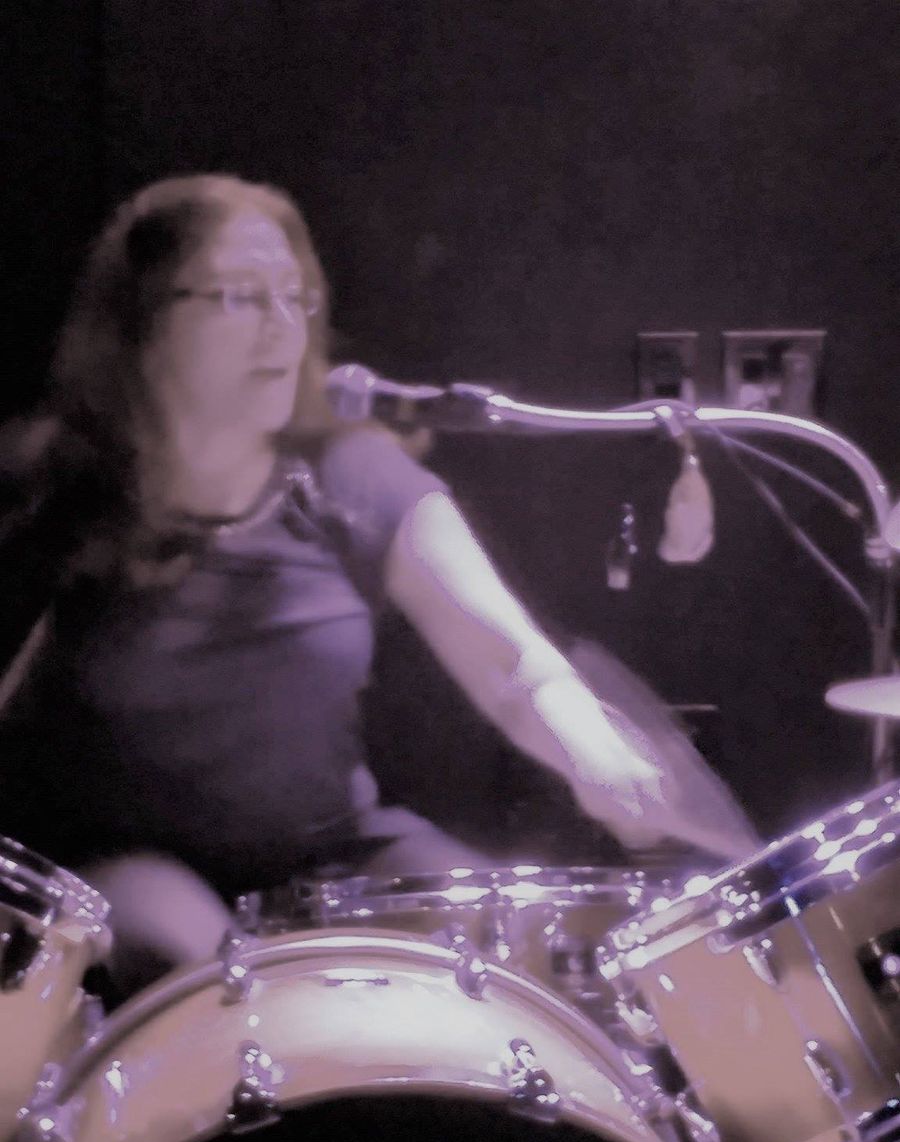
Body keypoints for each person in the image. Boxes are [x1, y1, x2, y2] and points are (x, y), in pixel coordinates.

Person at [0, 173, 757, 995]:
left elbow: (513, 663)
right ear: (143, 323)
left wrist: (591, 747)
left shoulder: (356, 480)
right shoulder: (52, 490)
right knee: (204, 973)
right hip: (126, 872)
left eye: (294, 296)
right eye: (241, 296)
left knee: (501, 956)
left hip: (330, 857)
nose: (282, 325)